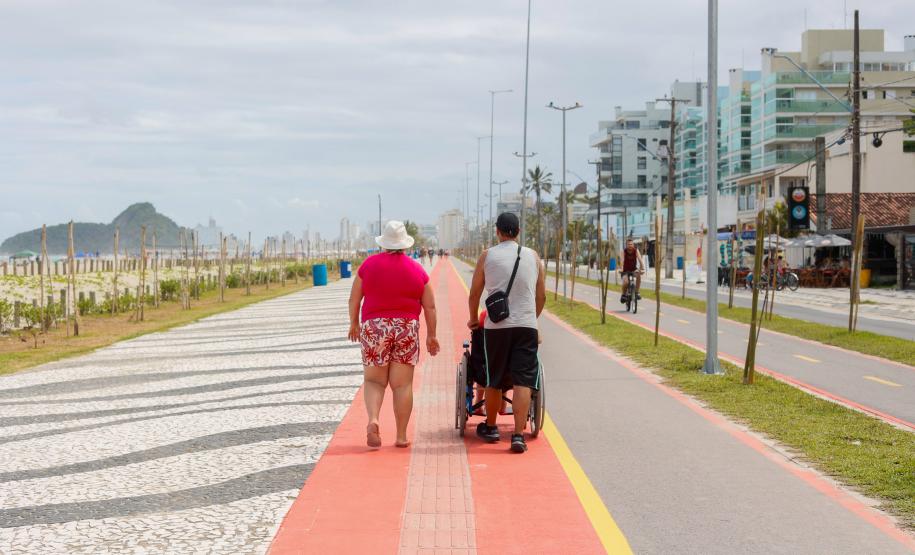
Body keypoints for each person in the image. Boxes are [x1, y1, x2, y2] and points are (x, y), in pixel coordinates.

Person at [348, 221, 440, 449]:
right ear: (405, 245)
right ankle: (400, 436)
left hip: (374, 327)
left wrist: (354, 323)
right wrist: (432, 335)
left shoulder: (368, 266)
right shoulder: (416, 269)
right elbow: (430, 306)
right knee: (402, 385)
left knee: (373, 381)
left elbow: (354, 298)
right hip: (405, 328)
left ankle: (374, 420)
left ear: (384, 244)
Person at [467, 212, 546, 454]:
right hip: (526, 326)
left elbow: (474, 293)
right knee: (523, 380)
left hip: (496, 327)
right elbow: (541, 296)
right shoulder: (533, 257)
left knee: (494, 378)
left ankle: (490, 427)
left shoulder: (487, 255)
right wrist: (532, 318)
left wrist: (473, 319)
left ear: (498, 231)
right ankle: (518, 435)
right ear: (519, 231)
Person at [620, 238, 645, 303]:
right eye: (628, 244)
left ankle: (637, 292)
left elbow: (640, 259)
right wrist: (621, 268)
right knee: (626, 282)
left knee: (638, 275)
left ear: (633, 245)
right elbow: (622, 261)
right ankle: (623, 294)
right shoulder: (624, 251)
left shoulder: (636, 251)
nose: (630, 246)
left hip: (634, 269)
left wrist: (642, 268)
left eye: (631, 244)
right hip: (625, 270)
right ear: (626, 245)